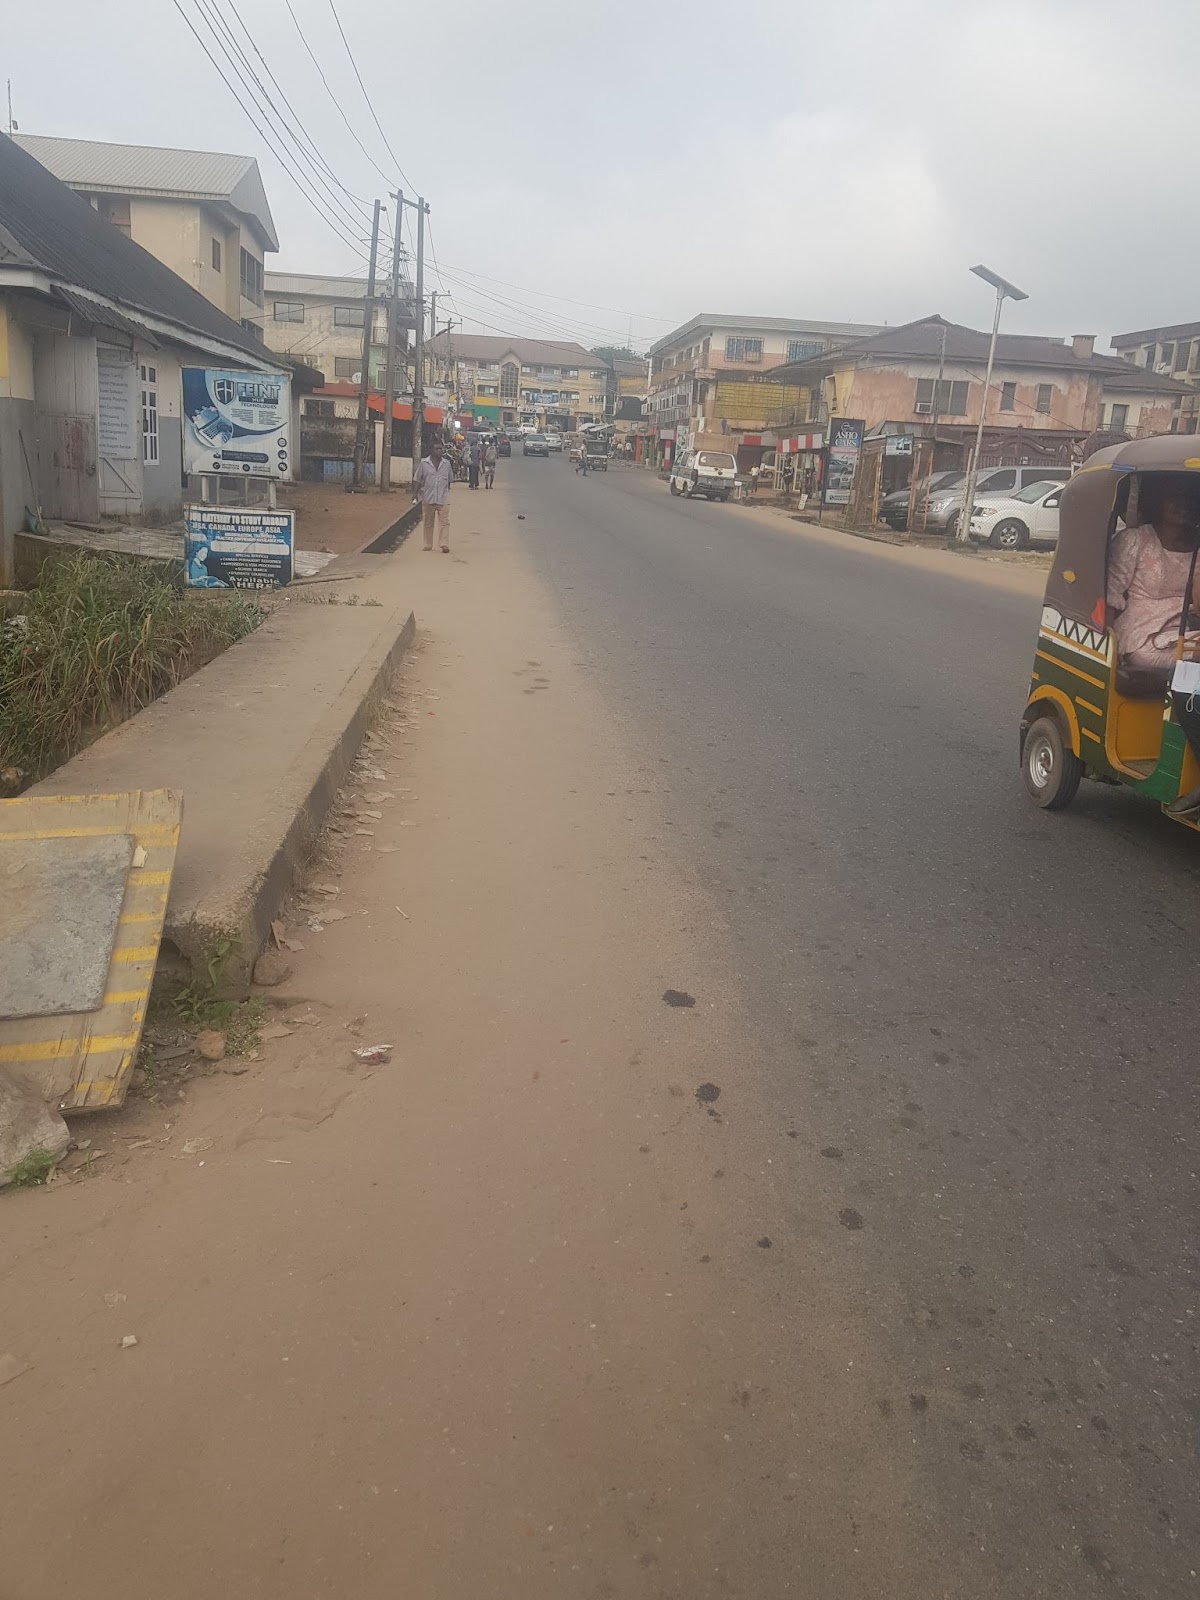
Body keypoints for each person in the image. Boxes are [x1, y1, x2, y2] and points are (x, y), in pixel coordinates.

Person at [414, 436, 452, 553]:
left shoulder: (447, 464)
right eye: (437, 449)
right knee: (428, 522)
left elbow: (449, 481)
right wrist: (415, 494)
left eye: (441, 449)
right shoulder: (424, 464)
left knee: (444, 522)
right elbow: (417, 479)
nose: (440, 451)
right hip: (428, 497)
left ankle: (444, 544)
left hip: (443, 498)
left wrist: (445, 492)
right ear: (431, 450)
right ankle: (428, 544)